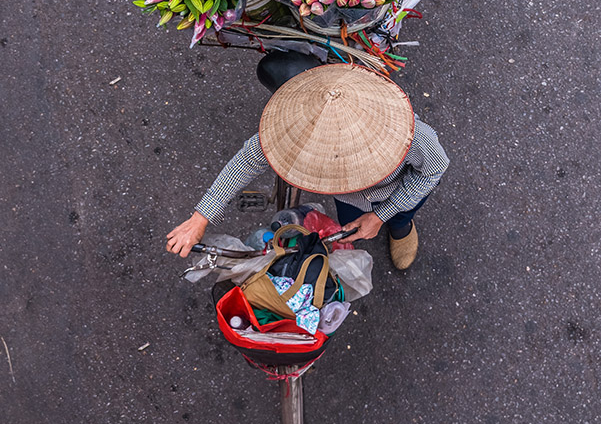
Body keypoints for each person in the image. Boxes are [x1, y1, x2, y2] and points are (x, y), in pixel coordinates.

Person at [166, 63, 449, 270]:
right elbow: (248, 159)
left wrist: (381, 215)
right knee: (351, 218)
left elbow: (432, 170)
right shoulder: (294, 124)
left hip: (399, 188)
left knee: (399, 215)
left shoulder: (412, 135)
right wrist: (200, 217)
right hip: (350, 199)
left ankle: (401, 227)